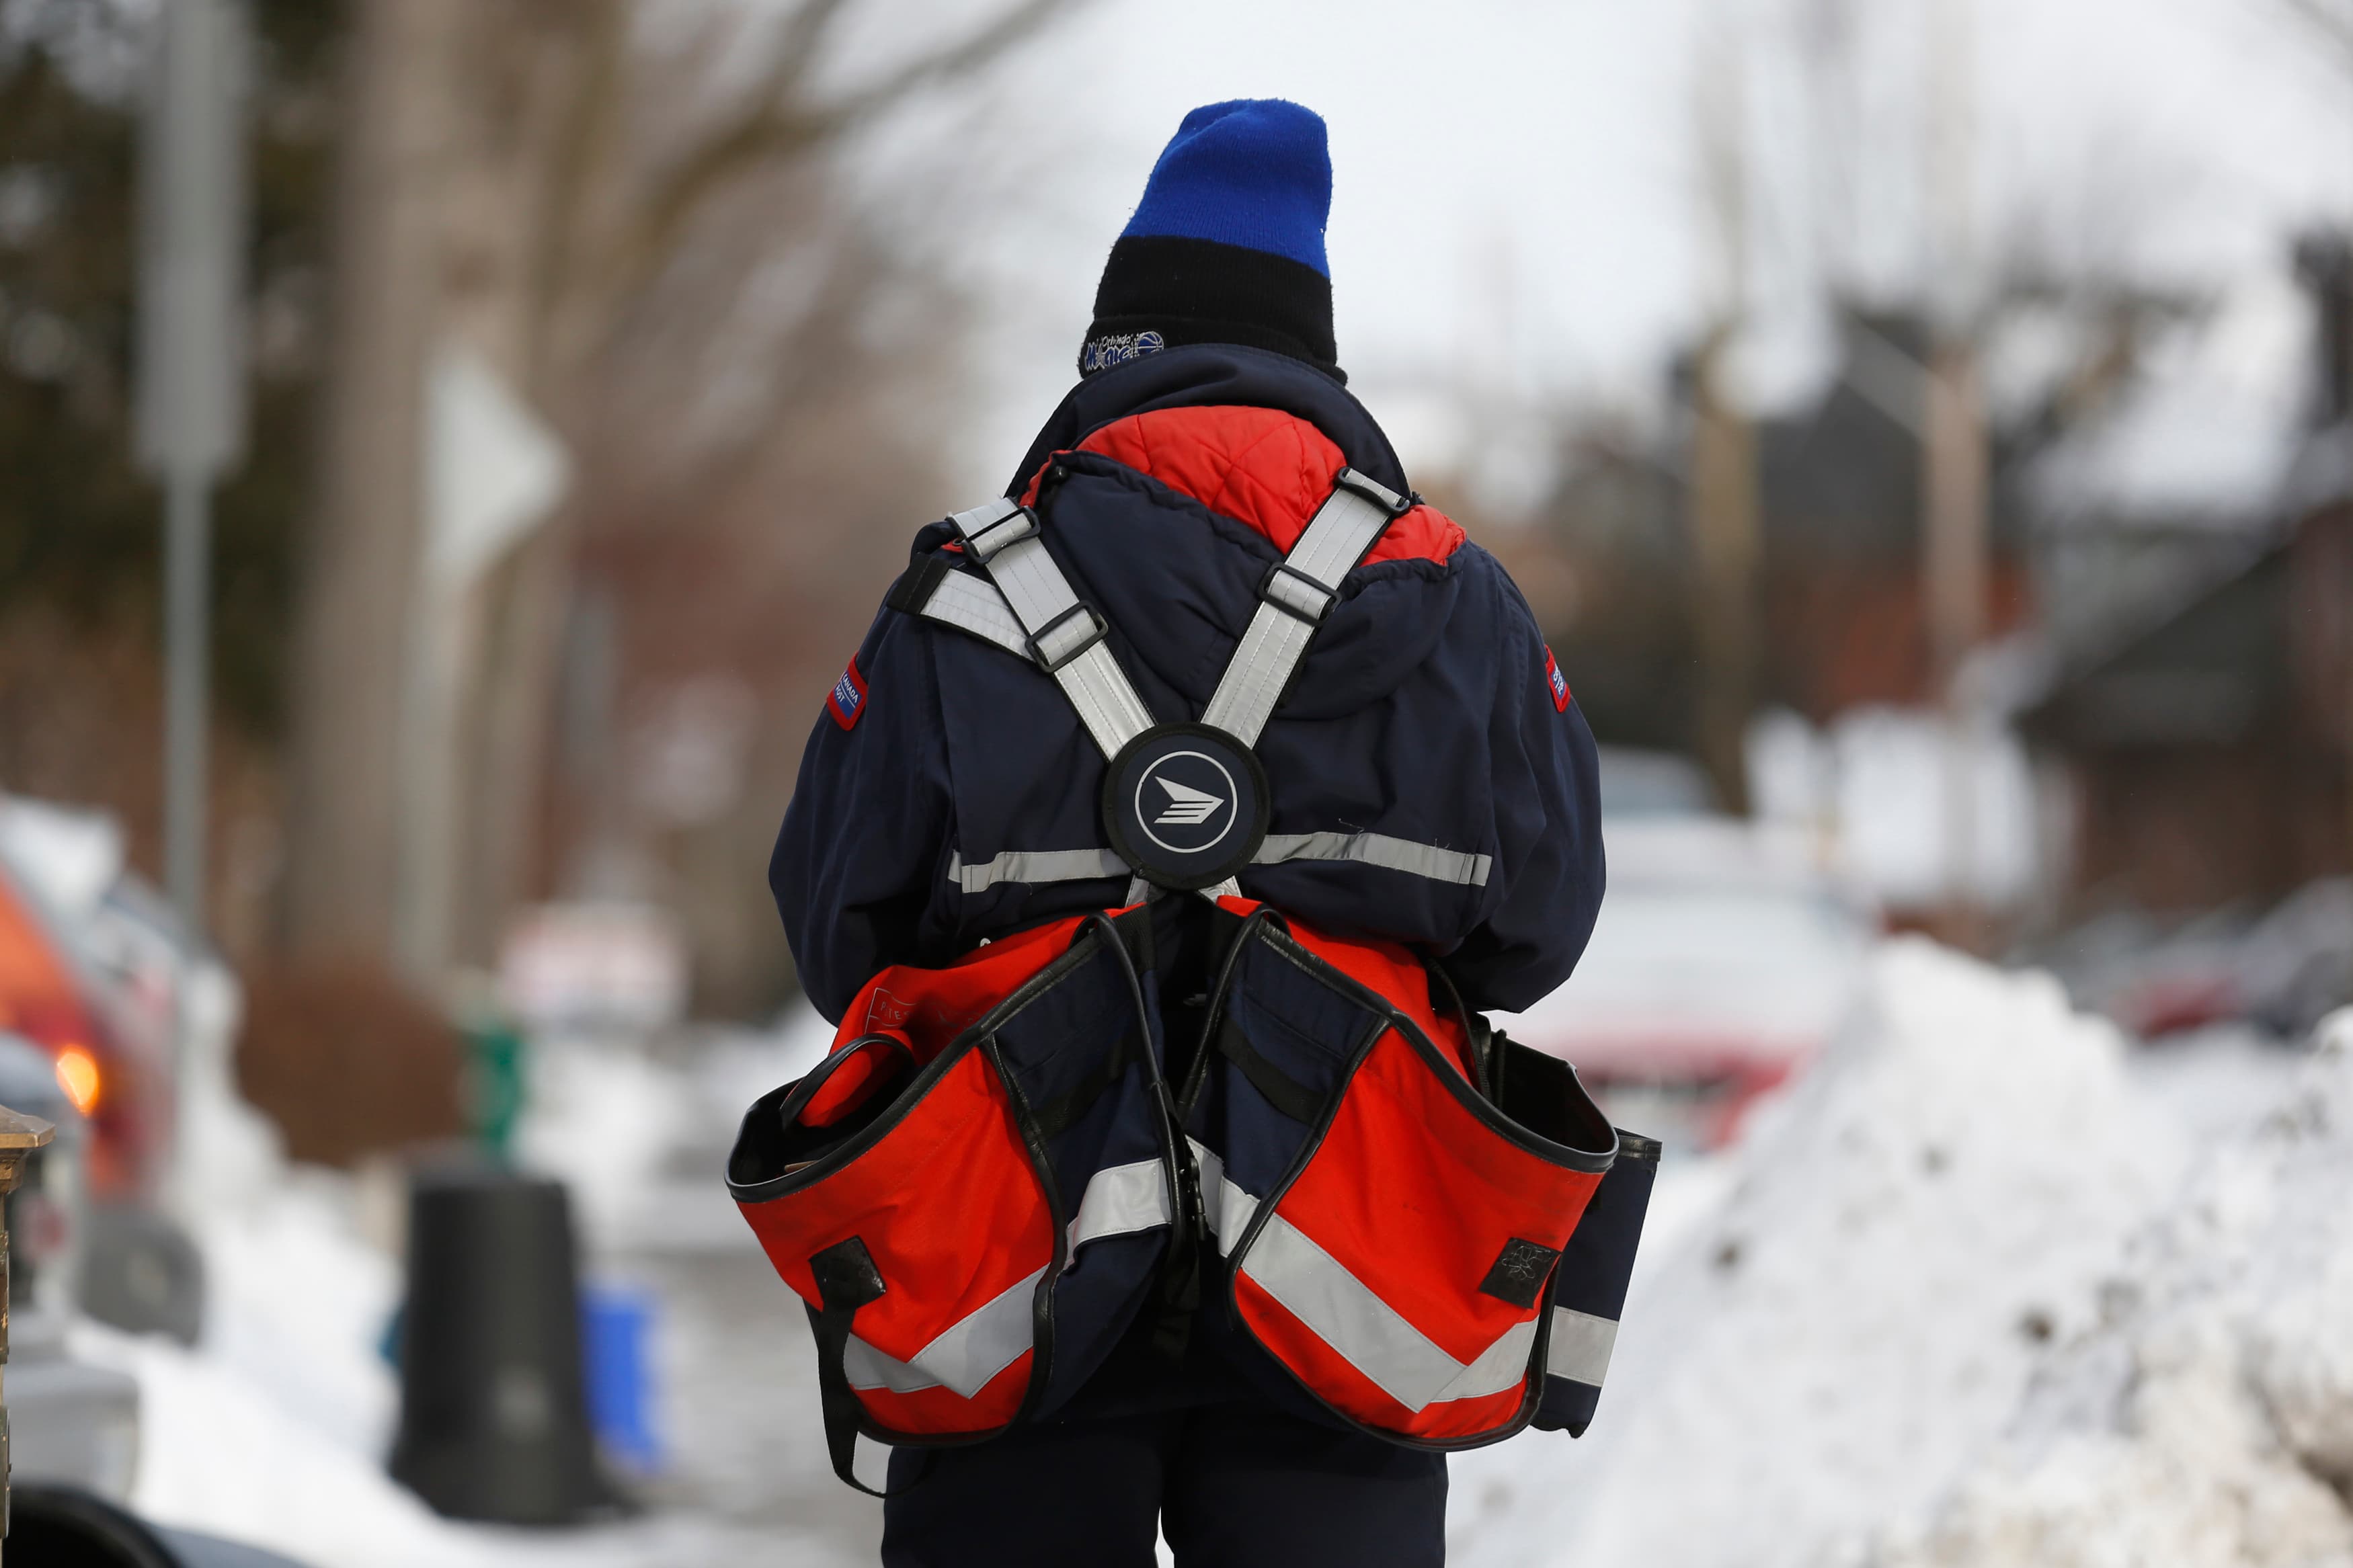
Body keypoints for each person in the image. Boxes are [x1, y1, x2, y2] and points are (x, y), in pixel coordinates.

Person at [770, 99, 1605, 1568]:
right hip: (1350, 1269)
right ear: (1314, 361)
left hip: (1013, 1276)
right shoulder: (1464, 608)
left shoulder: (962, 601)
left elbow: (835, 919)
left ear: (1114, 352)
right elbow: (1540, 925)